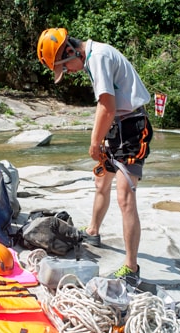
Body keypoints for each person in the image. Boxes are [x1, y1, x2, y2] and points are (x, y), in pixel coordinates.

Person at [37, 28, 153, 285]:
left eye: (65, 68)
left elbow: (106, 105)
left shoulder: (98, 57)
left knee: (125, 196)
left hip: (132, 127)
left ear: (70, 51)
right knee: (102, 181)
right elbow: (107, 107)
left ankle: (131, 269)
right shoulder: (91, 57)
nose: (70, 72)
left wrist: (94, 141)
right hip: (119, 126)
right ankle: (92, 231)